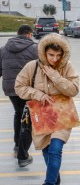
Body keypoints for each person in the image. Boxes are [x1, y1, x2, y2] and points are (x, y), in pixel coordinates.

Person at [15, 33, 79, 185]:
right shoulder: (32, 67)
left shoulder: (67, 67)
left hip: (63, 116)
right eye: (51, 55)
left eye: (58, 55)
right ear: (44, 52)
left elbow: (74, 90)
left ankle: (48, 182)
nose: (54, 59)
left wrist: (54, 75)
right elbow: (19, 87)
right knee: (47, 153)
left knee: (55, 149)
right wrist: (37, 94)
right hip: (41, 117)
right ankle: (55, 180)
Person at [0, 24, 38, 166]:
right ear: (29, 34)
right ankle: (23, 155)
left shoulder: (3, 49)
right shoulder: (35, 49)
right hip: (27, 89)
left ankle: (17, 144)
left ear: (17, 33)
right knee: (27, 118)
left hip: (10, 88)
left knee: (18, 113)